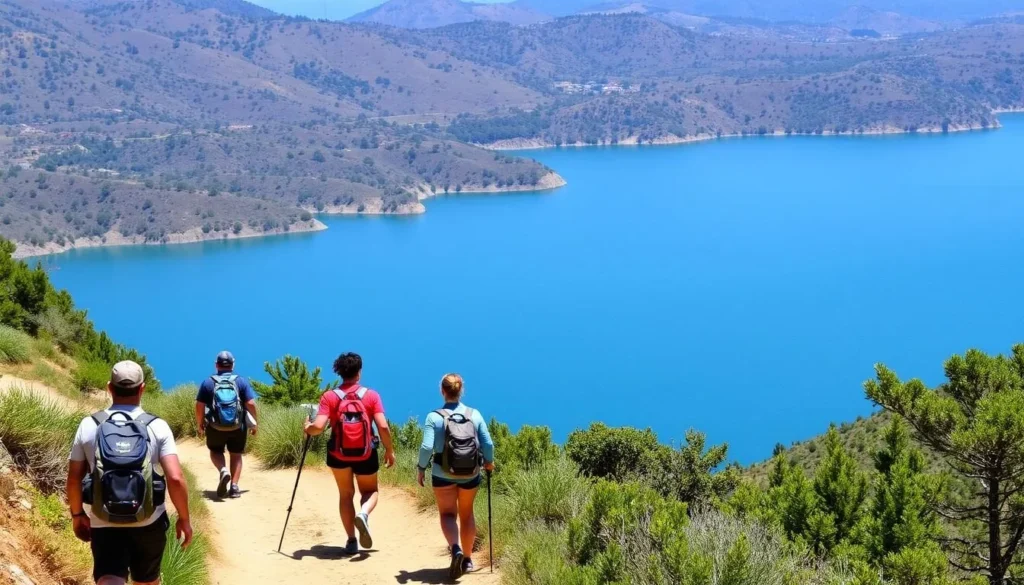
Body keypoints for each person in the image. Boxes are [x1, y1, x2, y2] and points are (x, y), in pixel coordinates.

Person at [66, 360, 193, 585]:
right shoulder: (157, 426)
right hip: (148, 520)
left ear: (109, 388)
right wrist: (184, 518)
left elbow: (74, 478)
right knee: (147, 581)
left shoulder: (89, 424)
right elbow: (175, 477)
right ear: (142, 388)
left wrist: (77, 515)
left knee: (109, 578)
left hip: (103, 519)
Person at [304, 352, 396, 555]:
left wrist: (307, 427)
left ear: (340, 372)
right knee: (370, 492)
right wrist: (389, 450)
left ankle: (351, 540)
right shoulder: (371, 396)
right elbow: (382, 426)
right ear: (359, 372)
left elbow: (318, 428)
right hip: (366, 453)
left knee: (346, 495)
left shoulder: (330, 396)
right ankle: (363, 514)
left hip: (338, 454)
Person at [418, 373, 495, 579]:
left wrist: (420, 467)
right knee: (467, 514)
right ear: (461, 391)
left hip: (442, 474)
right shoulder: (474, 414)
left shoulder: (434, 417)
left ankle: (455, 549)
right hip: (470, 474)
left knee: (447, 515)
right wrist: (489, 462)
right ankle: (468, 560)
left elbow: (426, 447)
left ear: (442, 391)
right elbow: (487, 444)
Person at [195, 350, 257, 499]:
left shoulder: (208, 382)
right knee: (236, 455)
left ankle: (223, 470)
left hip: (215, 426)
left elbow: (199, 405)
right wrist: (255, 423)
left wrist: (200, 423)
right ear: (232, 365)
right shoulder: (241, 381)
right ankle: (234, 487)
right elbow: (251, 403)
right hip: (237, 426)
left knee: (215, 451)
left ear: (216, 365)